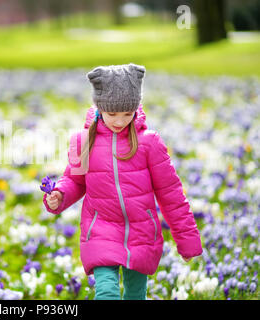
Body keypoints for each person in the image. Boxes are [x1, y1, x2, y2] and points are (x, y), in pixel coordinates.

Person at [43, 63, 203, 300]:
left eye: (127, 114)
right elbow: (74, 181)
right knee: (106, 292)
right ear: (99, 108)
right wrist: (60, 195)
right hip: (101, 230)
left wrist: (187, 240)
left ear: (136, 109)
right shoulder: (83, 141)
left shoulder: (149, 143)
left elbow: (171, 195)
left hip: (141, 232)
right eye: (112, 114)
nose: (119, 121)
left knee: (135, 295)